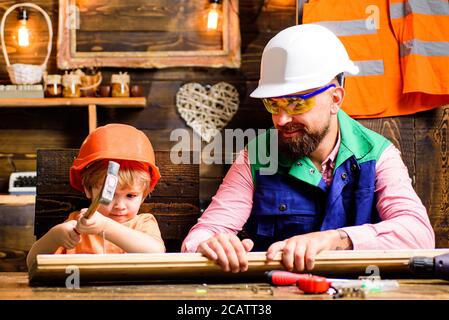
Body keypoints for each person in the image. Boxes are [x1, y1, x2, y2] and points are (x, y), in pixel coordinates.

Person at [181, 24, 435, 273]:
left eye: (296, 104)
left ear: (335, 99)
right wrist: (211, 244)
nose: (281, 120)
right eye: (273, 104)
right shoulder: (256, 156)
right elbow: (200, 237)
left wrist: (337, 240)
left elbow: (419, 235)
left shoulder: (377, 154)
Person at [27, 124, 165, 269]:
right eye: (110, 195)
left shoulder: (143, 224)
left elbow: (156, 253)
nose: (120, 206)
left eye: (131, 195)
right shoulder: (76, 225)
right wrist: (54, 237)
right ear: (88, 189)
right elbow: (31, 262)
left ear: (143, 195)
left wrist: (105, 226)